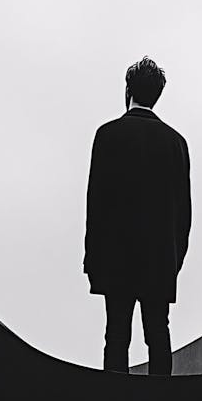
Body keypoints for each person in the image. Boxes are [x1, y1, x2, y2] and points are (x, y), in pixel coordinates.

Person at [83, 56, 191, 375]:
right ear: (157, 94)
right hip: (159, 258)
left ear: (128, 90)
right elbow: (183, 213)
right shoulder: (176, 143)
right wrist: (175, 260)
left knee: (116, 335)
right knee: (158, 333)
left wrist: (93, 258)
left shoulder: (108, 134)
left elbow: (97, 203)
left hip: (116, 257)